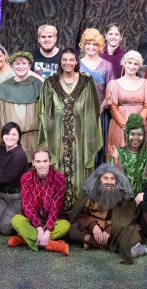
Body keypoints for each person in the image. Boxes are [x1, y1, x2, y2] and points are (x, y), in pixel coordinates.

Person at [37, 49, 102, 209]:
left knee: (79, 166)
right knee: (58, 165)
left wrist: (88, 135)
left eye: (71, 59)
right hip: (57, 136)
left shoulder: (86, 82)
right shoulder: (50, 83)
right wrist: (50, 134)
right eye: (64, 59)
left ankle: (79, 207)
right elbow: (44, 111)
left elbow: (93, 110)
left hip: (80, 136)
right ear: (60, 62)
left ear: (76, 62)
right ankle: (57, 205)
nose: (68, 63)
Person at [68, 163, 145, 261]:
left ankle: (91, 242)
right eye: (105, 178)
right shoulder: (90, 194)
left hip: (114, 230)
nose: (109, 182)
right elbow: (81, 215)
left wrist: (109, 230)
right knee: (73, 229)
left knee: (130, 230)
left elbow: (125, 218)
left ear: (117, 180)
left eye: (112, 179)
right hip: (94, 228)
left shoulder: (123, 196)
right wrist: (93, 227)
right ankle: (102, 244)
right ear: (99, 179)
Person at [9, 148, 70, 254]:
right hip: (32, 220)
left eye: (45, 161)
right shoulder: (26, 178)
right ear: (33, 162)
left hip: (52, 220)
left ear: (50, 161)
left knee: (66, 225)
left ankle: (24, 239)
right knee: (16, 220)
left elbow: (56, 207)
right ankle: (51, 245)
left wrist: (47, 231)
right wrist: (39, 228)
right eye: (38, 161)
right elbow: (27, 206)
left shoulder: (59, 178)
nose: (42, 165)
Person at [0, 51, 43, 159]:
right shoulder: (4, 87)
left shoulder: (38, 85)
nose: (20, 66)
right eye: (17, 63)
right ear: (12, 66)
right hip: (11, 142)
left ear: (29, 65)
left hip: (33, 140)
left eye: (24, 63)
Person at [104, 50, 147, 159]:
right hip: (120, 124)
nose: (132, 66)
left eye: (135, 64)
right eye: (129, 63)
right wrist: (126, 125)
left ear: (139, 66)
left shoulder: (146, 83)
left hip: (141, 123)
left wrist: (136, 123)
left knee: (140, 155)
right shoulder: (114, 84)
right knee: (121, 153)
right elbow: (113, 107)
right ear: (124, 63)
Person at [0, 122, 29, 235]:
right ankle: (5, 212)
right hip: (2, 194)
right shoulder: (3, 149)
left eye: (14, 134)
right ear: (3, 135)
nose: (10, 137)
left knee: (4, 229)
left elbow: (4, 178)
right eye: (7, 134)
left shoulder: (19, 155)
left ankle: (24, 215)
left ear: (19, 137)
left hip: (16, 196)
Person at [110, 113, 147, 196]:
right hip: (123, 197)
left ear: (144, 136)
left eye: (139, 134)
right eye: (132, 134)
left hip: (143, 197)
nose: (136, 137)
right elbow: (115, 179)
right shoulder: (118, 152)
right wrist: (116, 159)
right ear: (127, 135)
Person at [78, 27, 114, 107]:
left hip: (101, 110)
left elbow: (111, 91)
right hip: (80, 110)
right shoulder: (77, 65)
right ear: (84, 45)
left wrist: (101, 109)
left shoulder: (107, 65)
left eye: (95, 44)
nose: (91, 47)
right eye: (88, 43)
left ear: (99, 46)